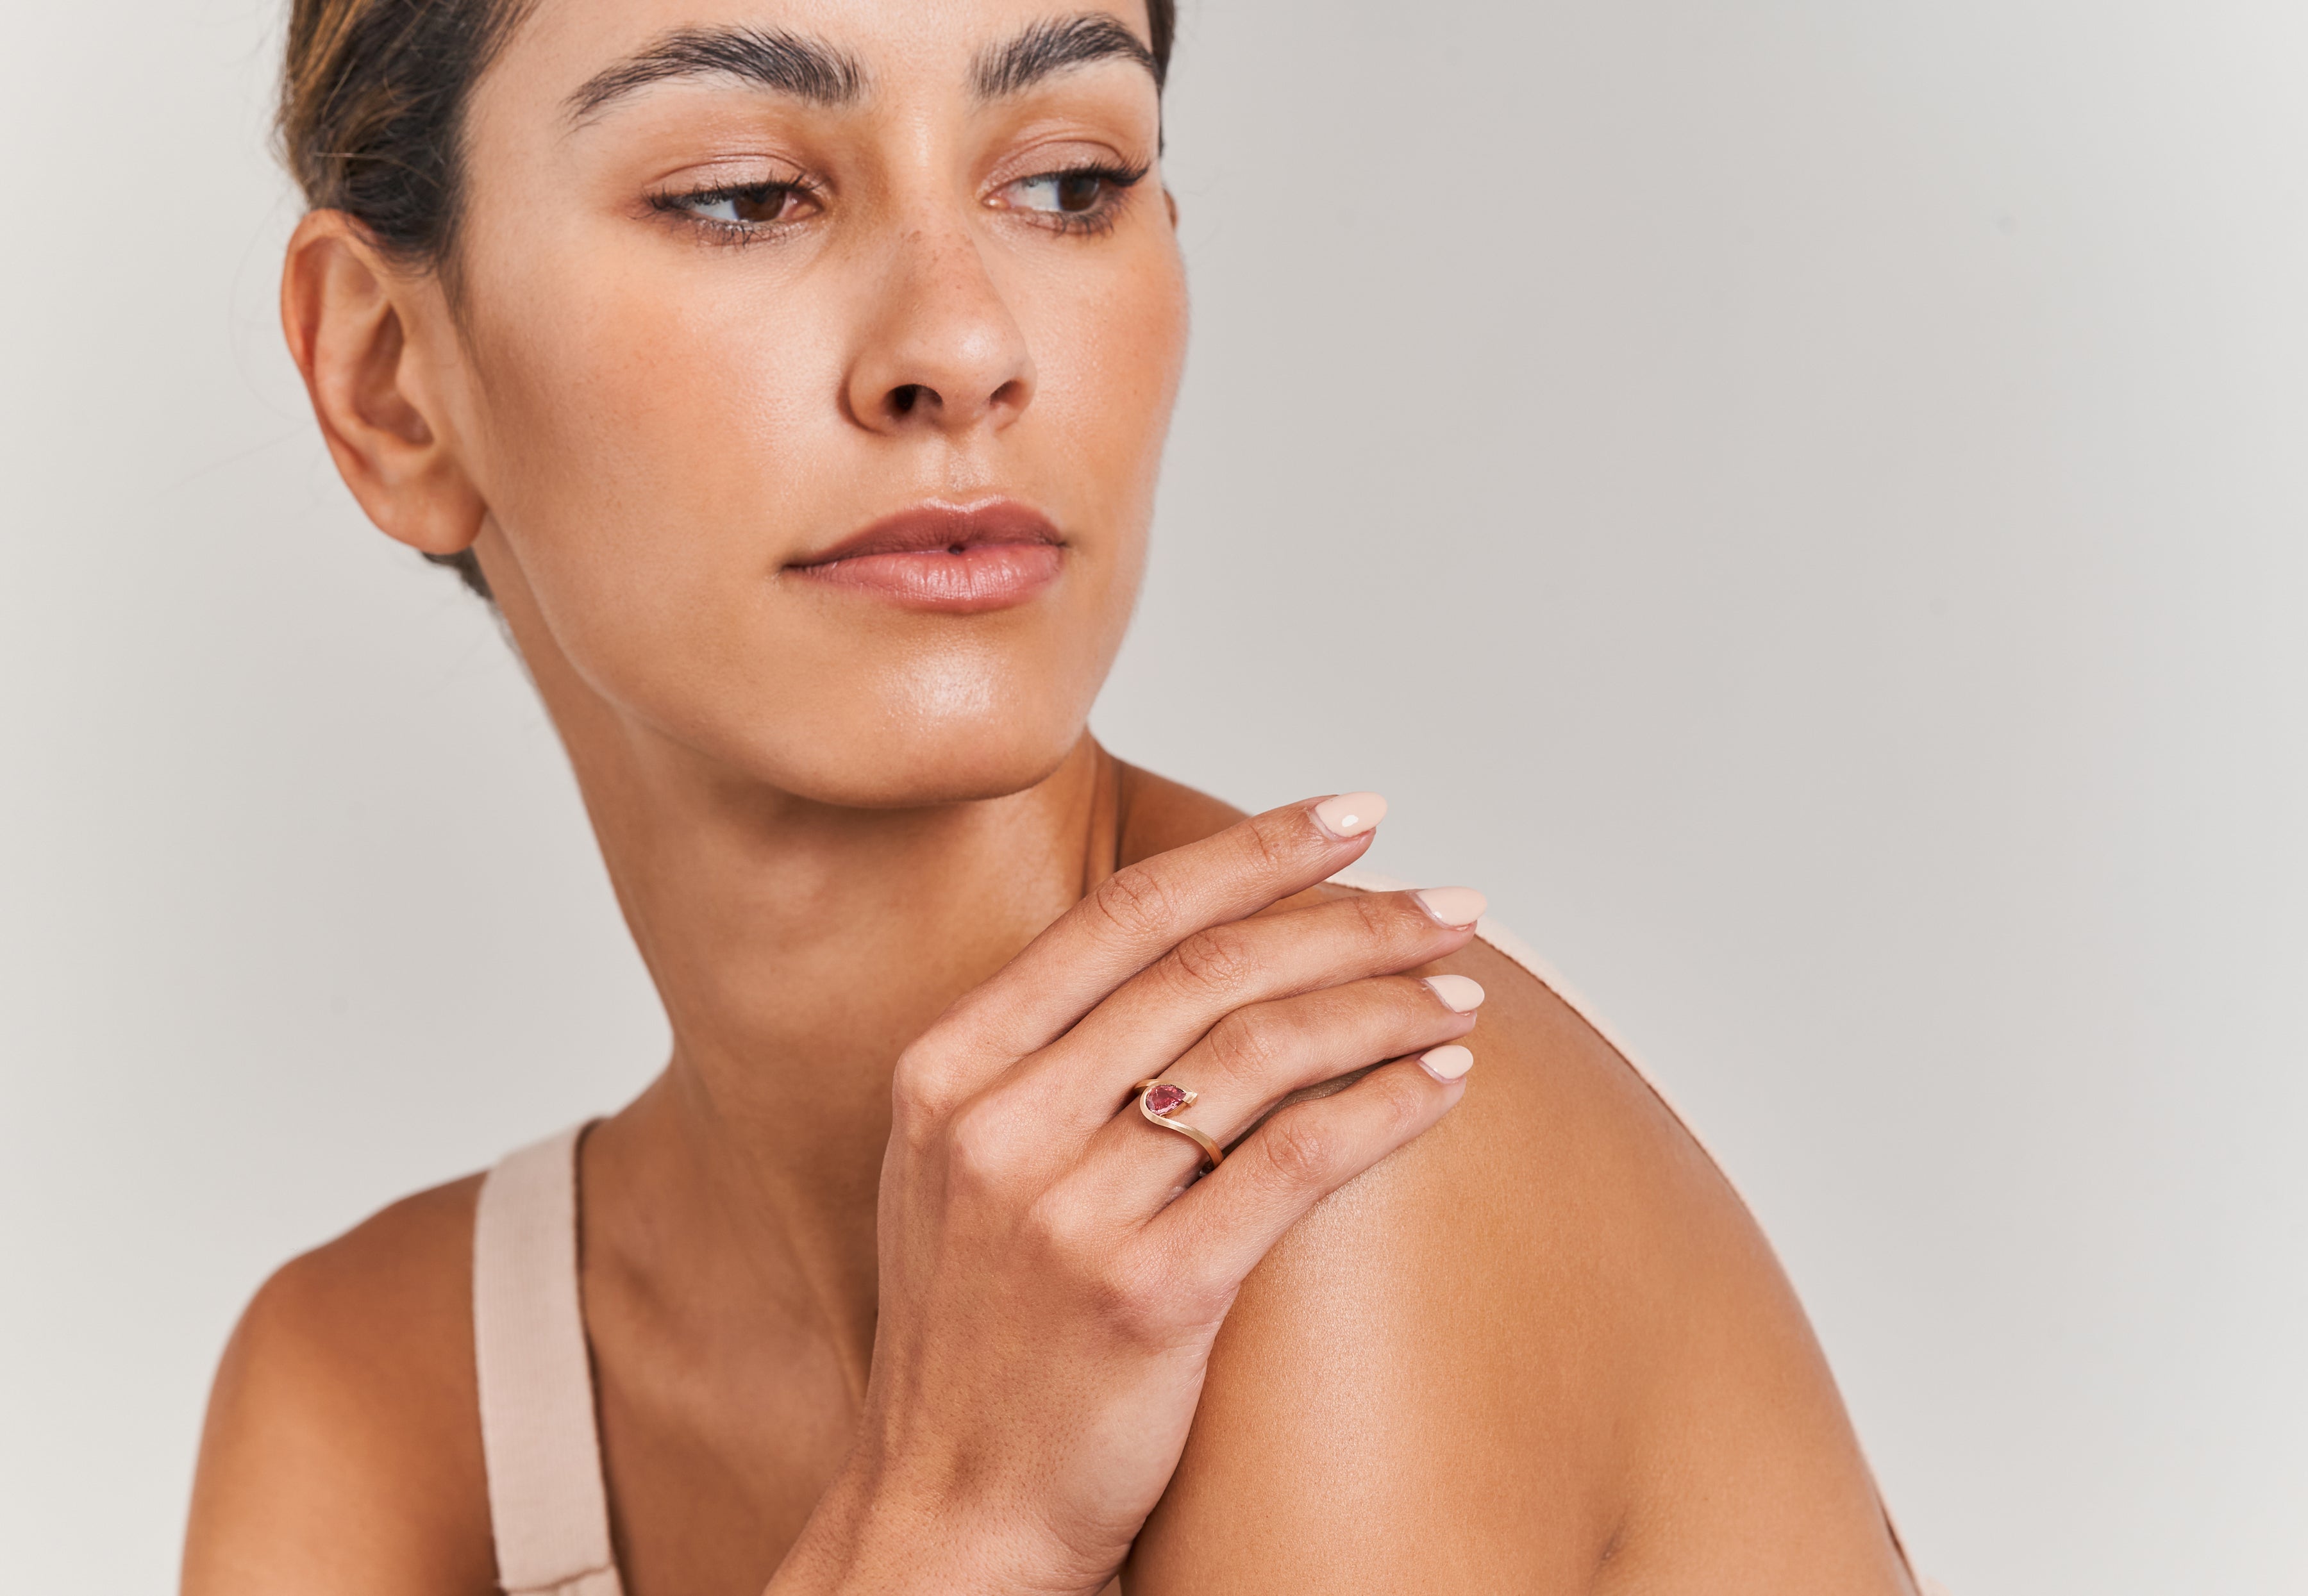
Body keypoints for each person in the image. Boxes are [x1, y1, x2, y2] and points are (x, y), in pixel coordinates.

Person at [181, 1, 1932, 1591]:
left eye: (1073, 181)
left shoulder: (1334, 1162)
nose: (963, 340)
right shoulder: (378, 1389)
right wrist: (947, 1520)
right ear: (391, 385)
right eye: (742, 195)